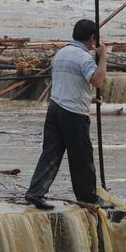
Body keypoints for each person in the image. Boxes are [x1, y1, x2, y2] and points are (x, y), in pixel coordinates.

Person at [25, 19, 112, 211]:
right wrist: (103, 56)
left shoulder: (61, 53)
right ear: (92, 38)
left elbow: (68, 85)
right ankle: (88, 197)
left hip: (55, 109)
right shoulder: (83, 57)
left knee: (51, 153)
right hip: (73, 114)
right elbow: (97, 80)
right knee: (81, 157)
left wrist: (88, 100)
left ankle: (36, 192)